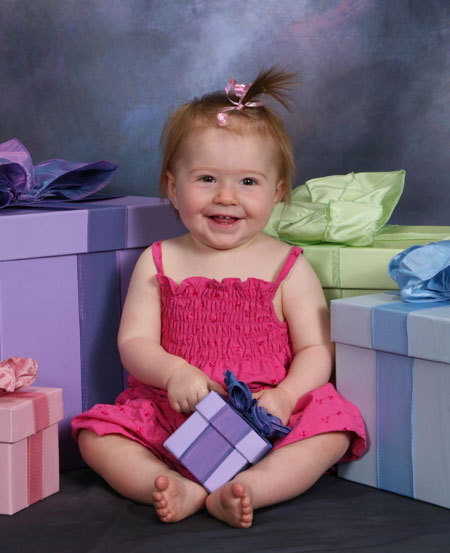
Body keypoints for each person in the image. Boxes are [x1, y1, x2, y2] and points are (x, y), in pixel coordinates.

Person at [72, 67, 366, 528]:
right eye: (207, 178)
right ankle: (169, 484)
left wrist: (287, 396)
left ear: (277, 191)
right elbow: (133, 342)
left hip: (266, 416)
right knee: (96, 436)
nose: (227, 197)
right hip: (176, 414)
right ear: (173, 187)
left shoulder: (287, 265)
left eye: (248, 182)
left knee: (334, 428)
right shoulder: (159, 260)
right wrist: (173, 372)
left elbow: (316, 348)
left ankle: (254, 486)